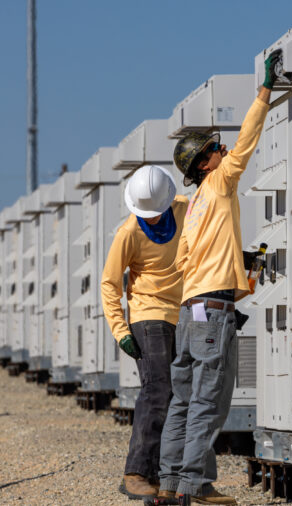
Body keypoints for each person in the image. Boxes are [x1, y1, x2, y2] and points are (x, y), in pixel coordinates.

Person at [157, 49, 282, 505]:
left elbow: (185, 260)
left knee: (183, 402)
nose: (221, 148)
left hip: (190, 312)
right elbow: (248, 138)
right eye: (213, 148)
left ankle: (169, 483)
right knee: (210, 401)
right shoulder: (221, 181)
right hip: (212, 310)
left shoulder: (193, 208)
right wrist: (266, 90)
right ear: (203, 164)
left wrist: (233, 259)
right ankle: (196, 486)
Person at [100, 165, 189, 502]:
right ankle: (137, 472)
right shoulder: (128, 233)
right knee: (157, 389)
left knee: (183, 393)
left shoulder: (186, 211)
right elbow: (109, 284)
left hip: (183, 312)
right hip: (147, 314)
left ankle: (171, 474)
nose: (151, 219)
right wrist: (120, 330)